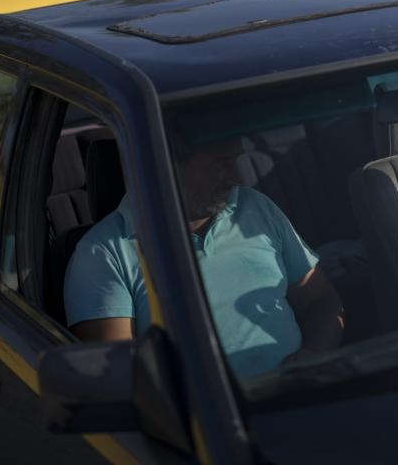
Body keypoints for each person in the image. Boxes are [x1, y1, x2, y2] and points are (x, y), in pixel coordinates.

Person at [64, 137, 344, 379]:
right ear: (164, 163)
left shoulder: (256, 207)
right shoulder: (103, 252)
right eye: (220, 163)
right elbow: (120, 380)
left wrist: (311, 359)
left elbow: (321, 299)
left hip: (301, 400)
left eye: (236, 160)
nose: (236, 176)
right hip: (207, 429)